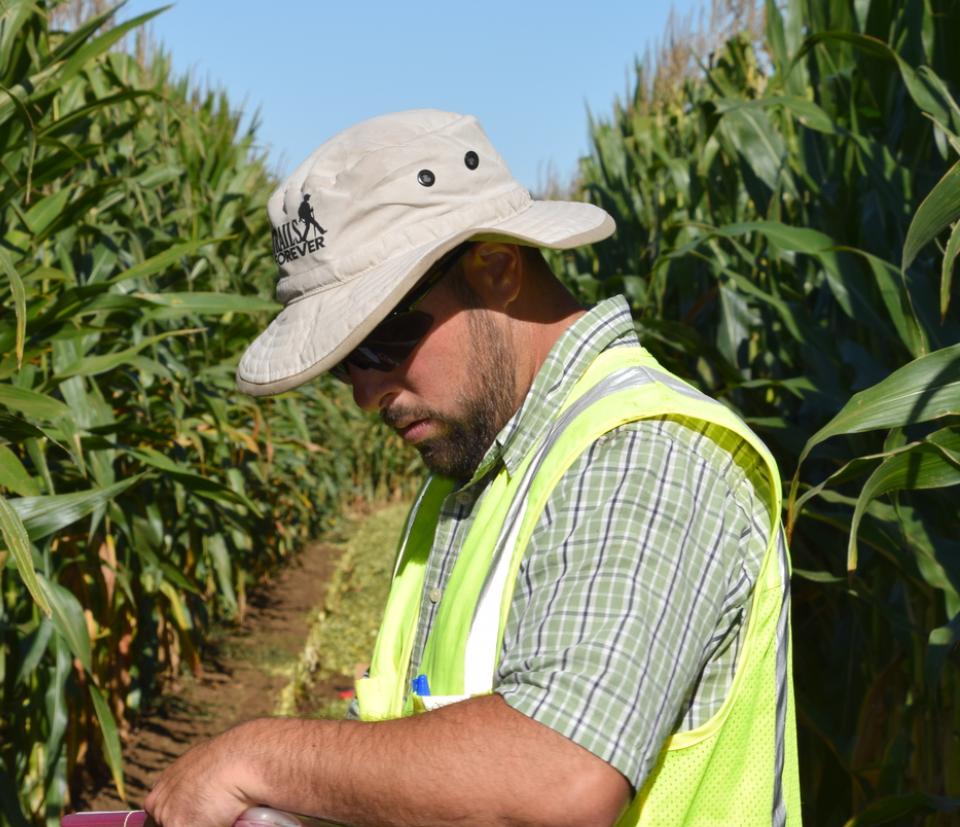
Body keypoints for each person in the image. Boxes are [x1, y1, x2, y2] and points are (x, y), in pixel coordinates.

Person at [144, 109, 800, 826]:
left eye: (381, 344)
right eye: (342, 366)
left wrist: (258, 756)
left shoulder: (646, 453)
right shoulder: (477, 469)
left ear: (496, 270)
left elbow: (558, 777)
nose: (367, 393)